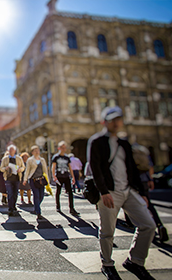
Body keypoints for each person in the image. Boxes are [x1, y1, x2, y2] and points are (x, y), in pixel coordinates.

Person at [89, 106, 156, 280]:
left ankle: (135, 261)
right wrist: (103, 192)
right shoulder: (97, 142)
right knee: (107, 231)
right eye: (112, 120)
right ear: (105, 122)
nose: (117, 123)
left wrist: (141, 192)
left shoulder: (124, 143)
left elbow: (132, 169)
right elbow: (95, 169)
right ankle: (107, 264)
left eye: (119, 119)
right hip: (109, 192)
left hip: (128, 190)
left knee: (148, 224)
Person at [51, 141, 79, 216]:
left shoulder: (67, 157)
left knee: (70, 192)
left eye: (64, 147)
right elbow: (53, 167)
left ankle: (72, 208)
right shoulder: (56, 157)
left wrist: (73, 177)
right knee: (58, 192)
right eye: (62, 147)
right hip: (59, 176)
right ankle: (58, 206)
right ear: (59, 148)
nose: (63, 149)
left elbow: (70, 167)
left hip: (66, 176)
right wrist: (54, 176)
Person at [23, 146, 49, 219]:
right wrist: (25, 179)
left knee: (41, 196)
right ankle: (38, 212)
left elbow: (45, 170)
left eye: (38, 150)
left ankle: (36, 206)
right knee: (36, 195)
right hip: (33, 180)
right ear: (32, 152)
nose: (37, 152)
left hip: (41, 180)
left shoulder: (42, 160)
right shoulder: (30, 160)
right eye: (35, 150)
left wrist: (48, 180)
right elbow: (27, 170)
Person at [0, 145, 25, 216]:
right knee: (10, 193)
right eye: (10, 150)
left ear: (15, 151)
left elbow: (23, 167)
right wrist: (5, 168)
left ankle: (13, 205)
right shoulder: (5, 159)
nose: (11, 151)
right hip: (8, 179)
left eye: (12, 150)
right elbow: (1, 168)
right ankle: (10, 209)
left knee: (15, 194)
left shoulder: (19, 158)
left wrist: (20, 169)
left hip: (16, 178)